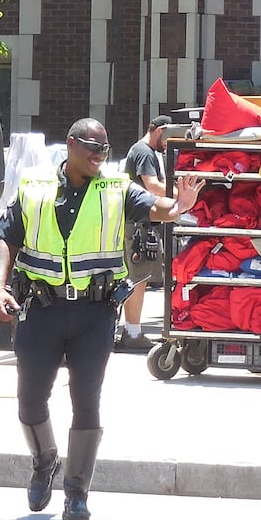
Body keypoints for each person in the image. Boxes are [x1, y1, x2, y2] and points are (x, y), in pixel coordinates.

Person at [0, 117, 204, 520]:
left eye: (105, 150)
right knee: (30, 400)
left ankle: (76, 493)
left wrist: (179, 206)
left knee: (86, 401)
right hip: (42, 310)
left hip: (95, 314)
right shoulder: (35, 188)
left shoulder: (115, 189)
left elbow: (156, 208)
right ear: (70, 144)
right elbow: (7, 240)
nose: (99, 156)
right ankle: (44, 461)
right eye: (92, 148)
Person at [116, 114, 170, 352]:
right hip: (138, 224)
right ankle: (133, 333)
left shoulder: (142, 151)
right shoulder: (144, 152)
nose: (168, 144)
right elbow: (153, 186)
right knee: (139, 278)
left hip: (135, 222)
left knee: (139, 277)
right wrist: (183, 195)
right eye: (168, 138)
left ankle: (130, 330)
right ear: (159, 131)